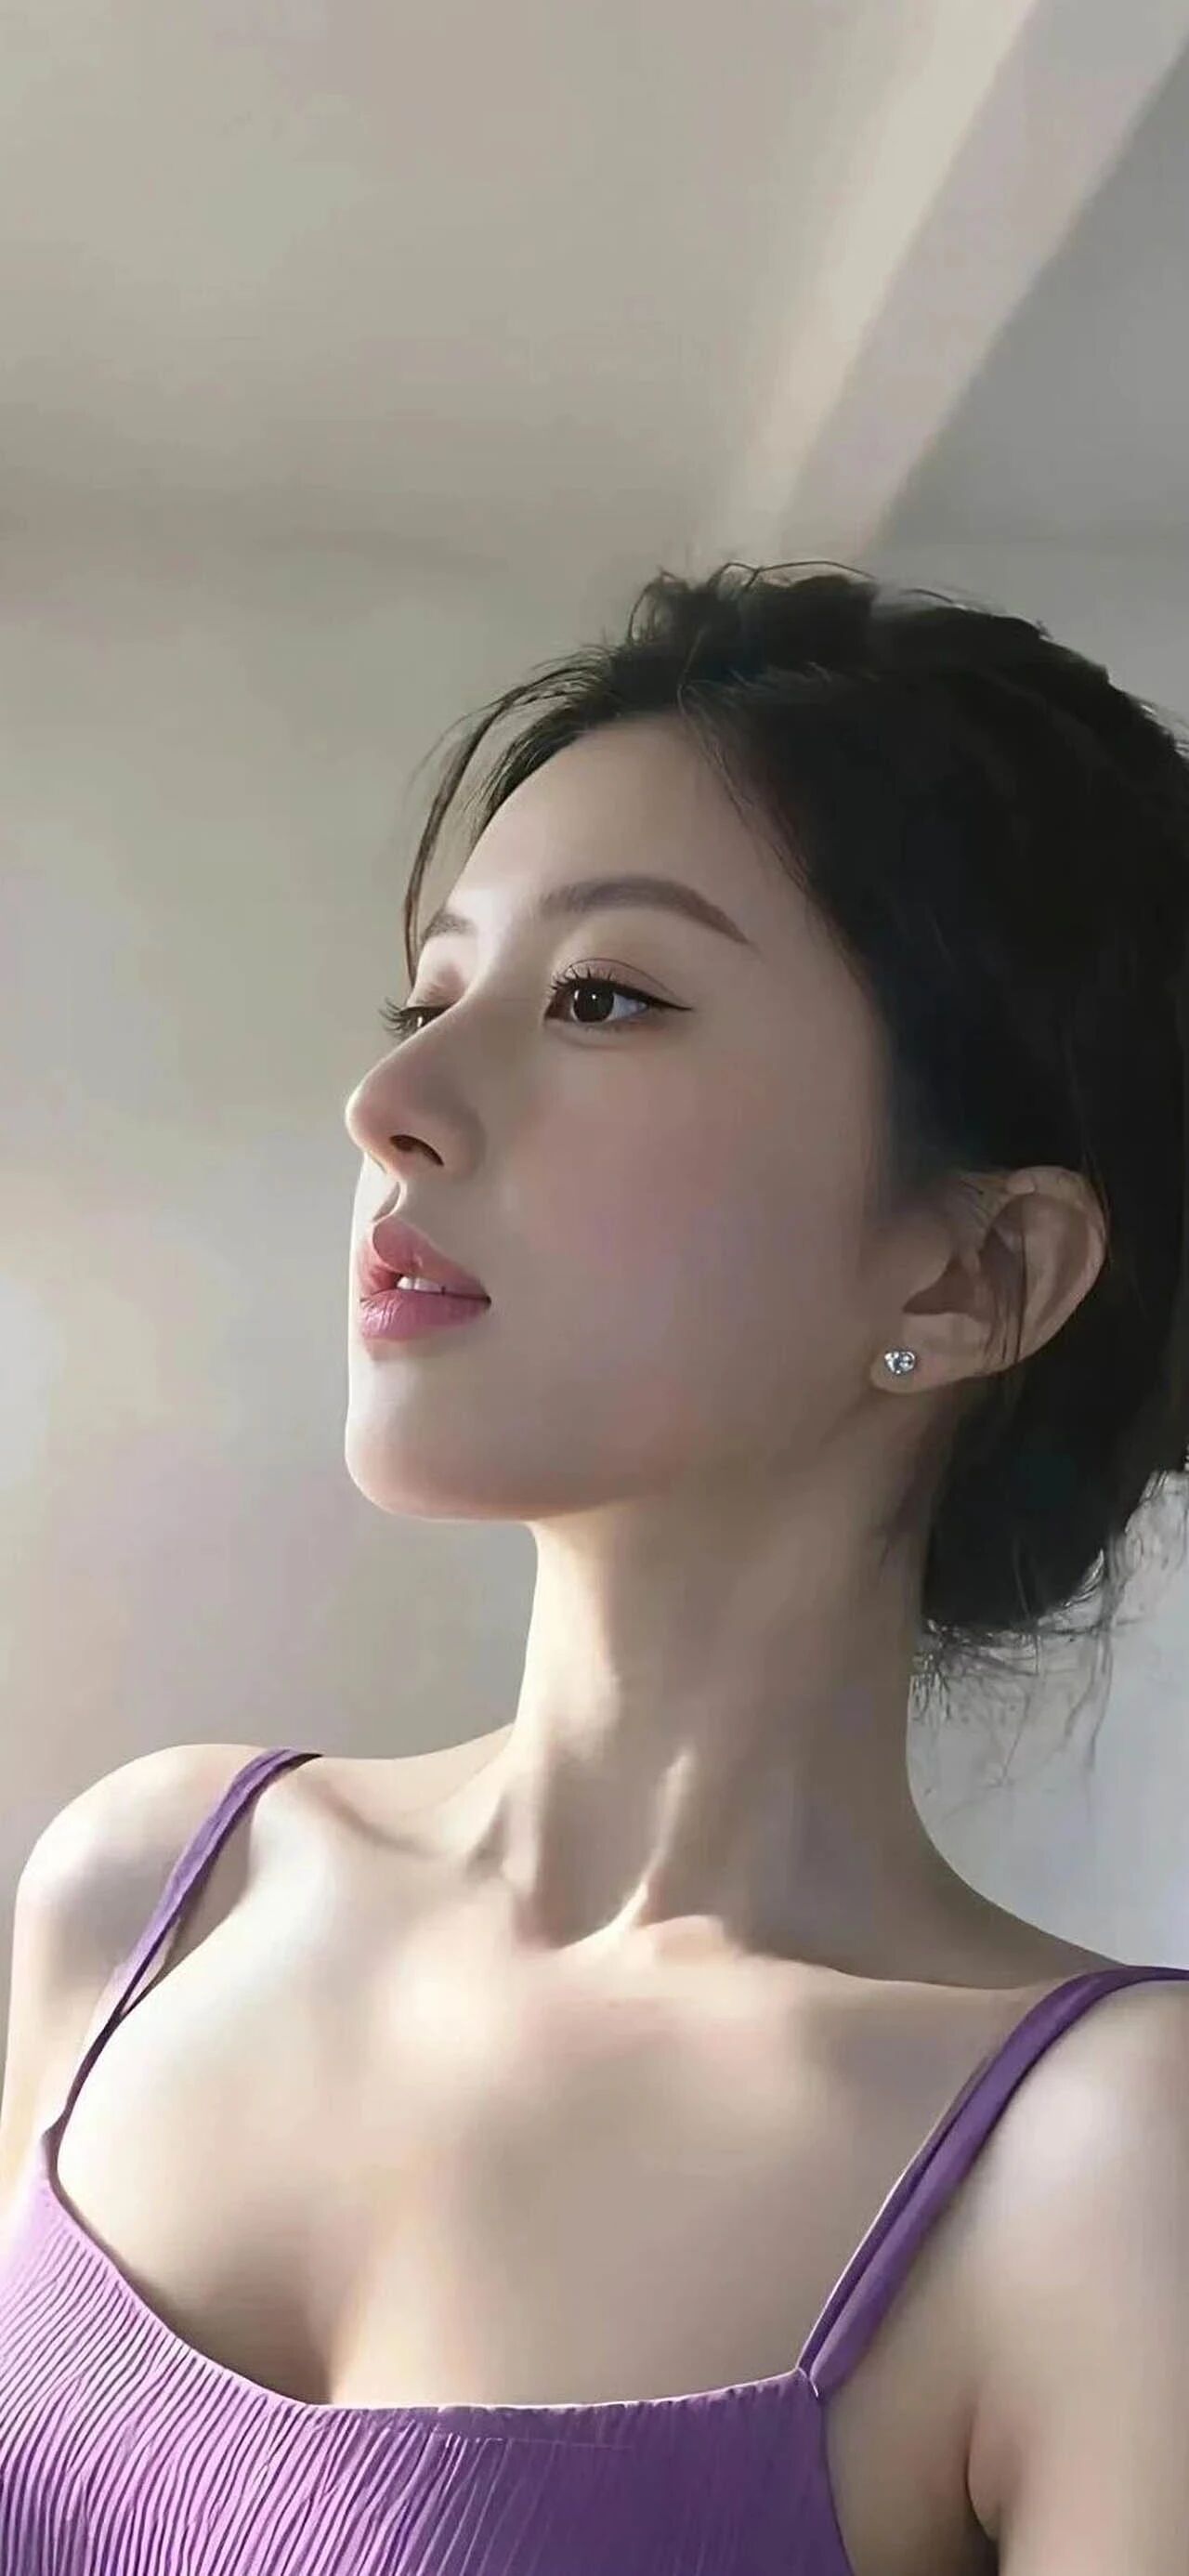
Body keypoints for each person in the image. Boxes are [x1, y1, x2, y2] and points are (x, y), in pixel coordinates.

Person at [2, 559, 1188, 2575]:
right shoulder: (147, 1900)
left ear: (973, 1270)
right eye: (430, 999)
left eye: (604, 998)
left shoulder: (1101, 2175)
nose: (388, 1105)